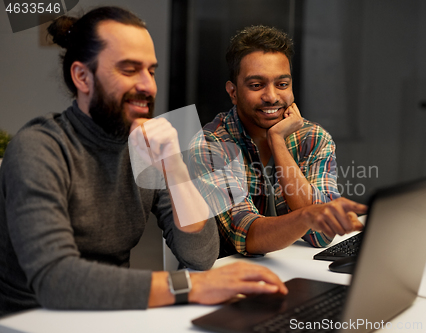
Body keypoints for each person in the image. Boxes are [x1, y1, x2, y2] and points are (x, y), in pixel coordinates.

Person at [0, 7, 286, 318]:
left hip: (114, 314)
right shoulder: (39, 149)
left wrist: (175, 168)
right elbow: (57, 280)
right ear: (82, 77)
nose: (149, 86)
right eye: (129, 70)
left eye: (150, 71)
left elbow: (201, 255)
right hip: (34, 321)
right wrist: (188, 287)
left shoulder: (145, 148)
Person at [190, 26, 367, 257]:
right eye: (256, 85)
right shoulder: (210, 144)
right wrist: (307, 216)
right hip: (226, 276)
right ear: (233, 92)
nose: (272, 96)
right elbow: (247, 238)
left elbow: (321, 235)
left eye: (282, 84)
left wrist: (277, 141)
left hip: (289, 269)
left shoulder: (313, 139)